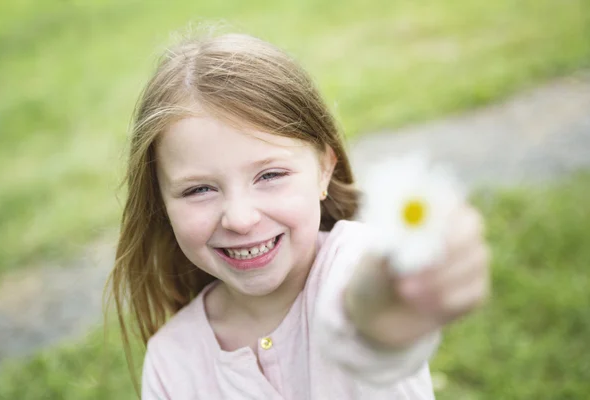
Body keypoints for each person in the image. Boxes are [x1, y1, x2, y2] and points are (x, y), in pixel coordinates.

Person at [108, 29, 490, 400]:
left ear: (324, 168)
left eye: (270, 175)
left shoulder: (350, 261)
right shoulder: (171, 361)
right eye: (199, 189)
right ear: (160, 204)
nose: (240, 219)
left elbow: (360, 312)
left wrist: (384, 305)